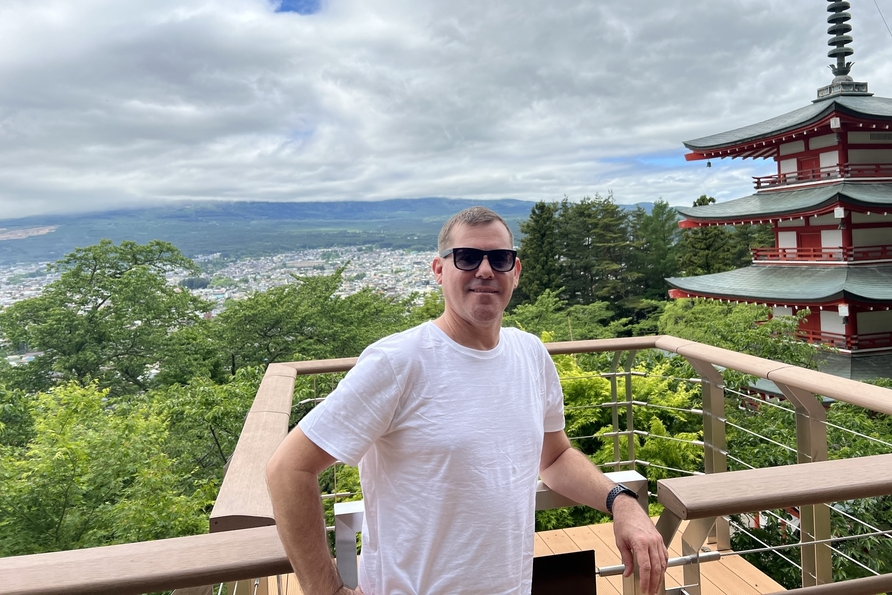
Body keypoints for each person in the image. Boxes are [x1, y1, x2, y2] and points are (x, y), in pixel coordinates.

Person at [266, 206, 668, 595]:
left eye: (500, 258)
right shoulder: (397, 362)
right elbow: (288, 469)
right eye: (468, 257)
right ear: (439, 270)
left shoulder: (531, 355)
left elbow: (555, 459)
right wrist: (328, 590)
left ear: (516, 271)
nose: (485, 270)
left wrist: (622, 502)